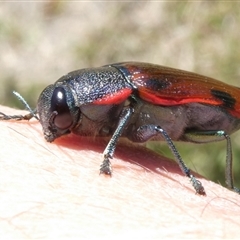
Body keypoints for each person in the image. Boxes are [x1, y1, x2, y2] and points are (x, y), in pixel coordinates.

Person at [0, 105, 239, 239]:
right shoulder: (96, 101)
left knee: (158, 128)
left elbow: (140, 120)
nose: (49, 133)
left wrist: (108, 153)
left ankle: (224, 183)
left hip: (213, 112)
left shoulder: (118, 101)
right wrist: (31, 116)